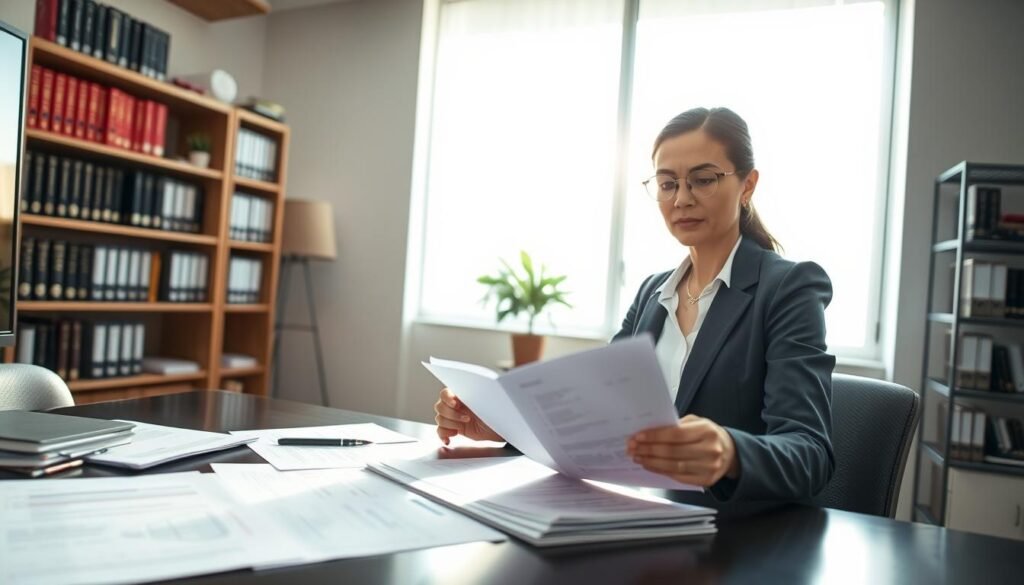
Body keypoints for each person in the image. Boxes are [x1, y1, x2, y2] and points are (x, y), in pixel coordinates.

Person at [434, 107, 835, 510]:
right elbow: (595, 423)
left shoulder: (789, 288)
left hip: (736, 537)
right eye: (667, 183)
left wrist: (730, 452)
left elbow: (810, 452)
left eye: (703, 179)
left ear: (747, 185)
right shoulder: (652, 293)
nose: (681, 198)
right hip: (642, 515)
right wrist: (503, 428)